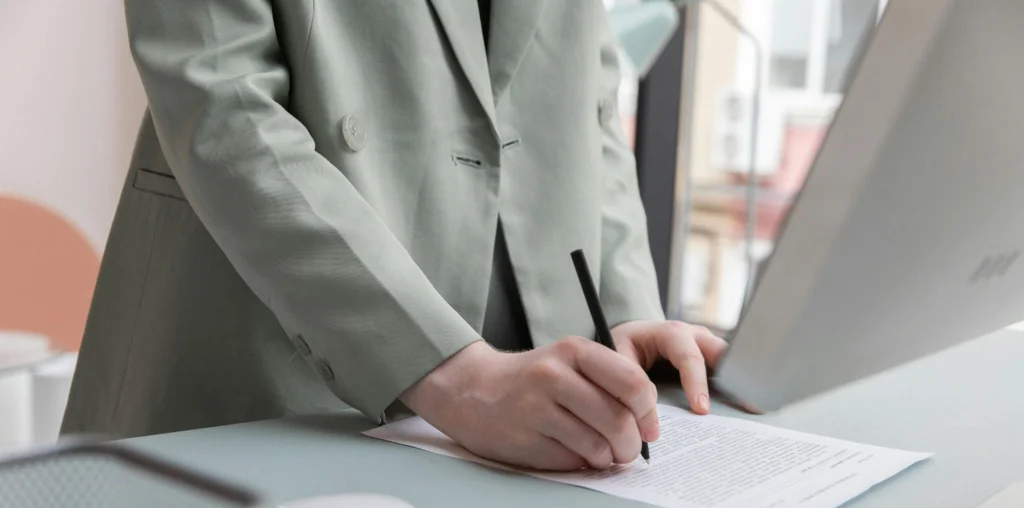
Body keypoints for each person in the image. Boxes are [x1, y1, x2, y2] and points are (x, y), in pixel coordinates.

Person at [63, 0, 728, 471]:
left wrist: (620, 310)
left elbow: (590, 89)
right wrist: (459, 378)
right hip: (264, 382)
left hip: (528, 419)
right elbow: (223, 108)